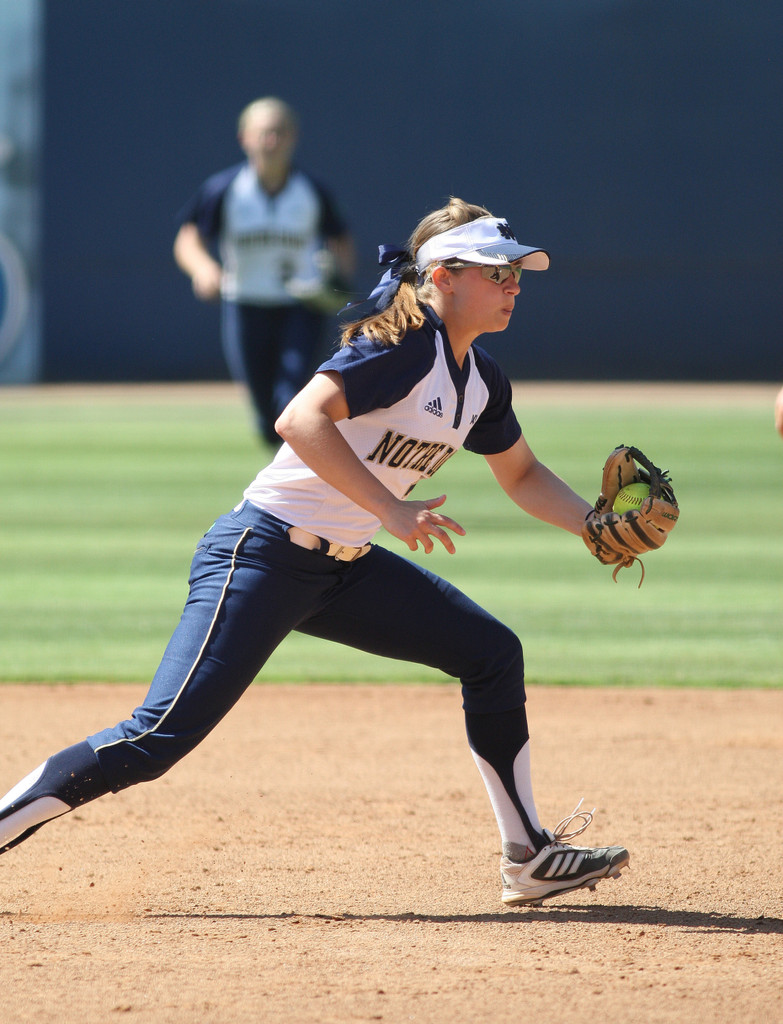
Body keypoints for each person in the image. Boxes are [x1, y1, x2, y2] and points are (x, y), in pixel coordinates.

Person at [1, 198, 629, 907]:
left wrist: (594, 526)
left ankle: (528, 855)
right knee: (158, 737)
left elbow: (520, 473)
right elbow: (298, 419)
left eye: (517, 274)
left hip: (341, 569)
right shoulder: (401, 345)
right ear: (445, 276)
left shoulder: (479, 379)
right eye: (498, 273)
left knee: (490, 653)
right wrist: (390, 508)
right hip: (261, 553)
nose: (515, 284)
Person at [173, 96, 355, 445]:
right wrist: (203, 268)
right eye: (263, 133)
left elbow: (341, 241)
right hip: (245, 302)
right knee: (263, 412)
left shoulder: (312, 190)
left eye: (279, 133)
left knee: (292, 396)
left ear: (293, 138)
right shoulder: (224, 190)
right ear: (245, 138)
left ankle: (302, 483)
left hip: (301, 305)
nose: (271, 142)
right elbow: (188, 239)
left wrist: (337, 283)